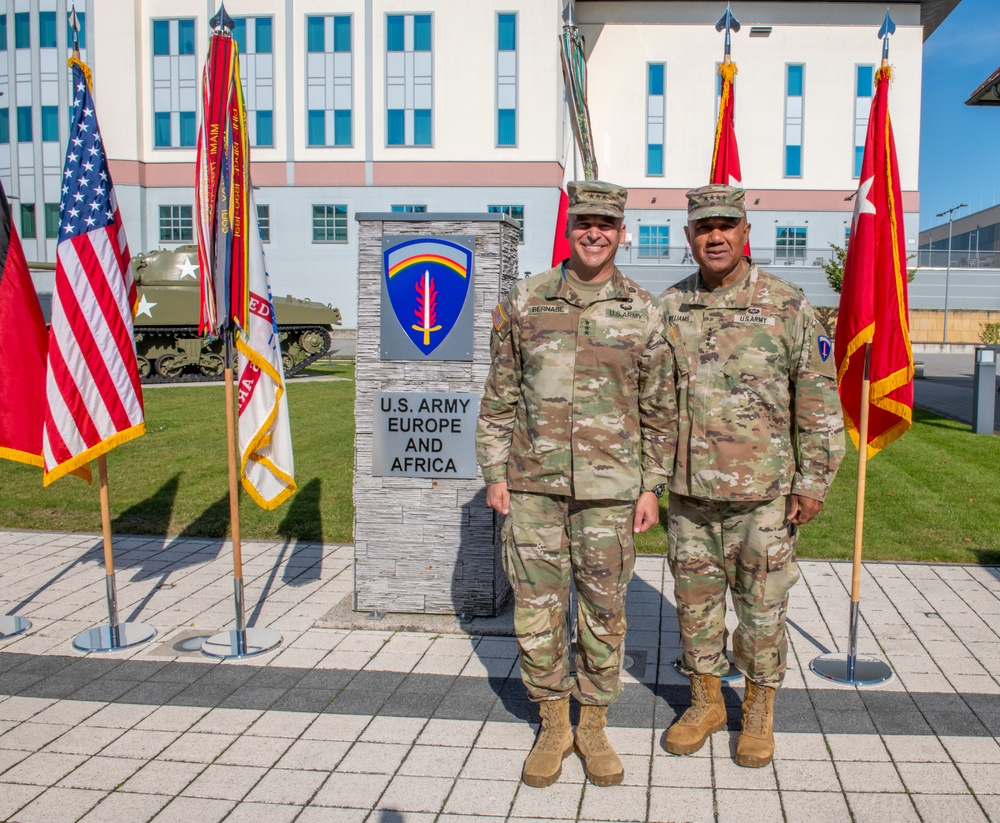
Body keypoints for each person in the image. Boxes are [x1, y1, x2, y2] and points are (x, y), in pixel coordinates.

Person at [476, 181, 676, 788]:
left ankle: (592, 722)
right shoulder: (527, 299)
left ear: (622, 232)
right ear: (570, 227)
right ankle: (553, 721)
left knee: (604, 611)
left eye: (606, 224)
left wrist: (651, 486)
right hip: (532, 487)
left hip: (611, 493)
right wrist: (493, 471)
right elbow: (500, 395)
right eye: (584, 221)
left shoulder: (644, 309)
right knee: (536, 611)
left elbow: (659, 408)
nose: (594, 233)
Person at [660, 184, 844, 768]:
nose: (714, 236)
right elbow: (648, 399)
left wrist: (812, 482)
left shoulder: (788, 306)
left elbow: (818, 401)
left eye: (725, 226)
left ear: (745, 233)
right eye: (703, 228)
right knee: (695, 607)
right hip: (689, 497)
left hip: (763, 498)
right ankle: (707, 701)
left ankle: (759, 710)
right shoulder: (669, 308)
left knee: (762, 610)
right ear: (689, 237)